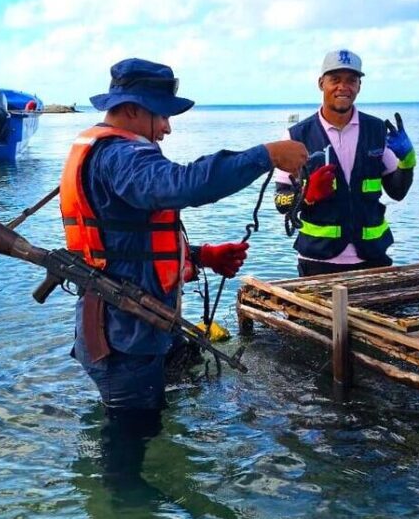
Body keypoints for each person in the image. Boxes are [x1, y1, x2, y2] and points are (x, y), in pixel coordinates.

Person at [59, 57, 307, 419]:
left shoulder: (109, 154)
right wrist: (265, 155)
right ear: (131, 110)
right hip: (125, 341)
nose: (167, 128)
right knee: (128, 449)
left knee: (154, 426)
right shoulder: (123, 157)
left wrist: (202, 256)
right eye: (161, 115)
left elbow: (126, 246)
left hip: (134, 331)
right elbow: (186, 184)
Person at [273, 49, 416, 277]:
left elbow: (397, 191)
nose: (343, 87)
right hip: (318, 261)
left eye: (351, 80)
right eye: (335, 80)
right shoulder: (295, 136)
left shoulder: (377, 130)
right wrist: (307, 194)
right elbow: (281, 202)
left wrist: (407, 161)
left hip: (373, 258)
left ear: (359, 86)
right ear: (321, 83)